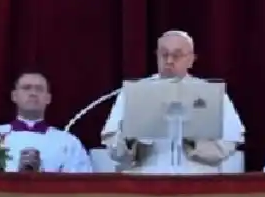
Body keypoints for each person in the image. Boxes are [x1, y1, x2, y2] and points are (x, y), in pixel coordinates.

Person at [100, 30, 244, 174]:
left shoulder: (210, 93)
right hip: (145, 183)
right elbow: (113, 149)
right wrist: (132, 137)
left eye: (177, 55)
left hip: (197, 182)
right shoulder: (134, 92)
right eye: (164, 54)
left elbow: (228, 144)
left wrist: (193, 139)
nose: (169, 61)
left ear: (191, 59)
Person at [0, 72, 92, 172]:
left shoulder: (69, 142)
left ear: (48, 98)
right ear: (14, 96)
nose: (33, 93)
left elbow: (80, 186)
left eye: (39, 89)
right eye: (26, 88)